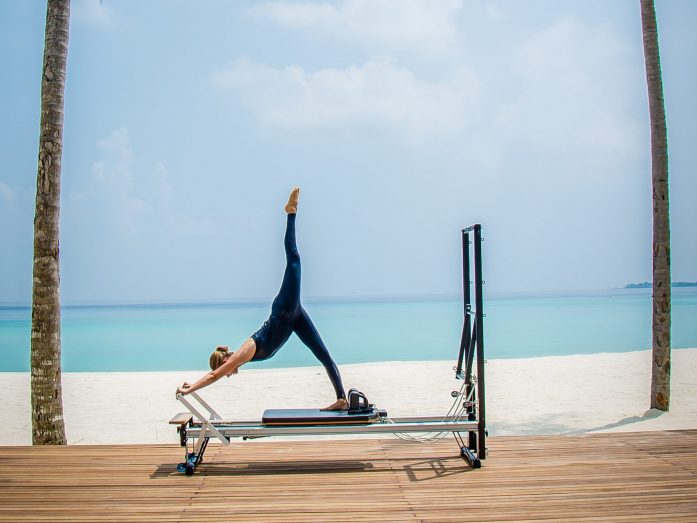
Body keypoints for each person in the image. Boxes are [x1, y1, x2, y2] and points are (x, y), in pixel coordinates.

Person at [176, 187, 348, 411]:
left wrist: (191, 388)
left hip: (284, 309)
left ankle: (291, 212)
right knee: (323, 354)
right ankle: (342, 399)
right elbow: (216, 374)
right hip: (295, 318)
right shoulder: (244, 358)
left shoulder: (244, 351)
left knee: (294, 259)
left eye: (226, 370)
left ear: (225, 361)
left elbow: (213, 376)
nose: (229, 374)